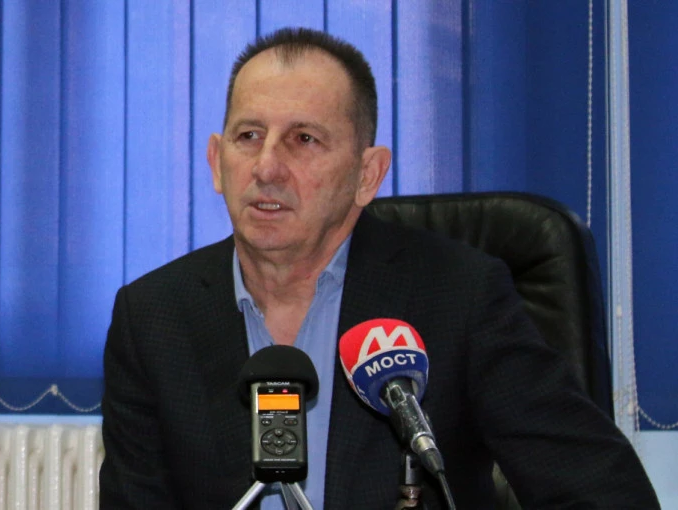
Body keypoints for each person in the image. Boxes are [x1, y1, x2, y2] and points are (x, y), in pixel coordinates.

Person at [99, 27, 659, 509]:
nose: (267, 167)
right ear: (217, 162)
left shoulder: (460, 296)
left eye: (303, 139)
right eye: (249, 136)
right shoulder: (151, 318)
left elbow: (604, 494)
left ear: (368, 174)